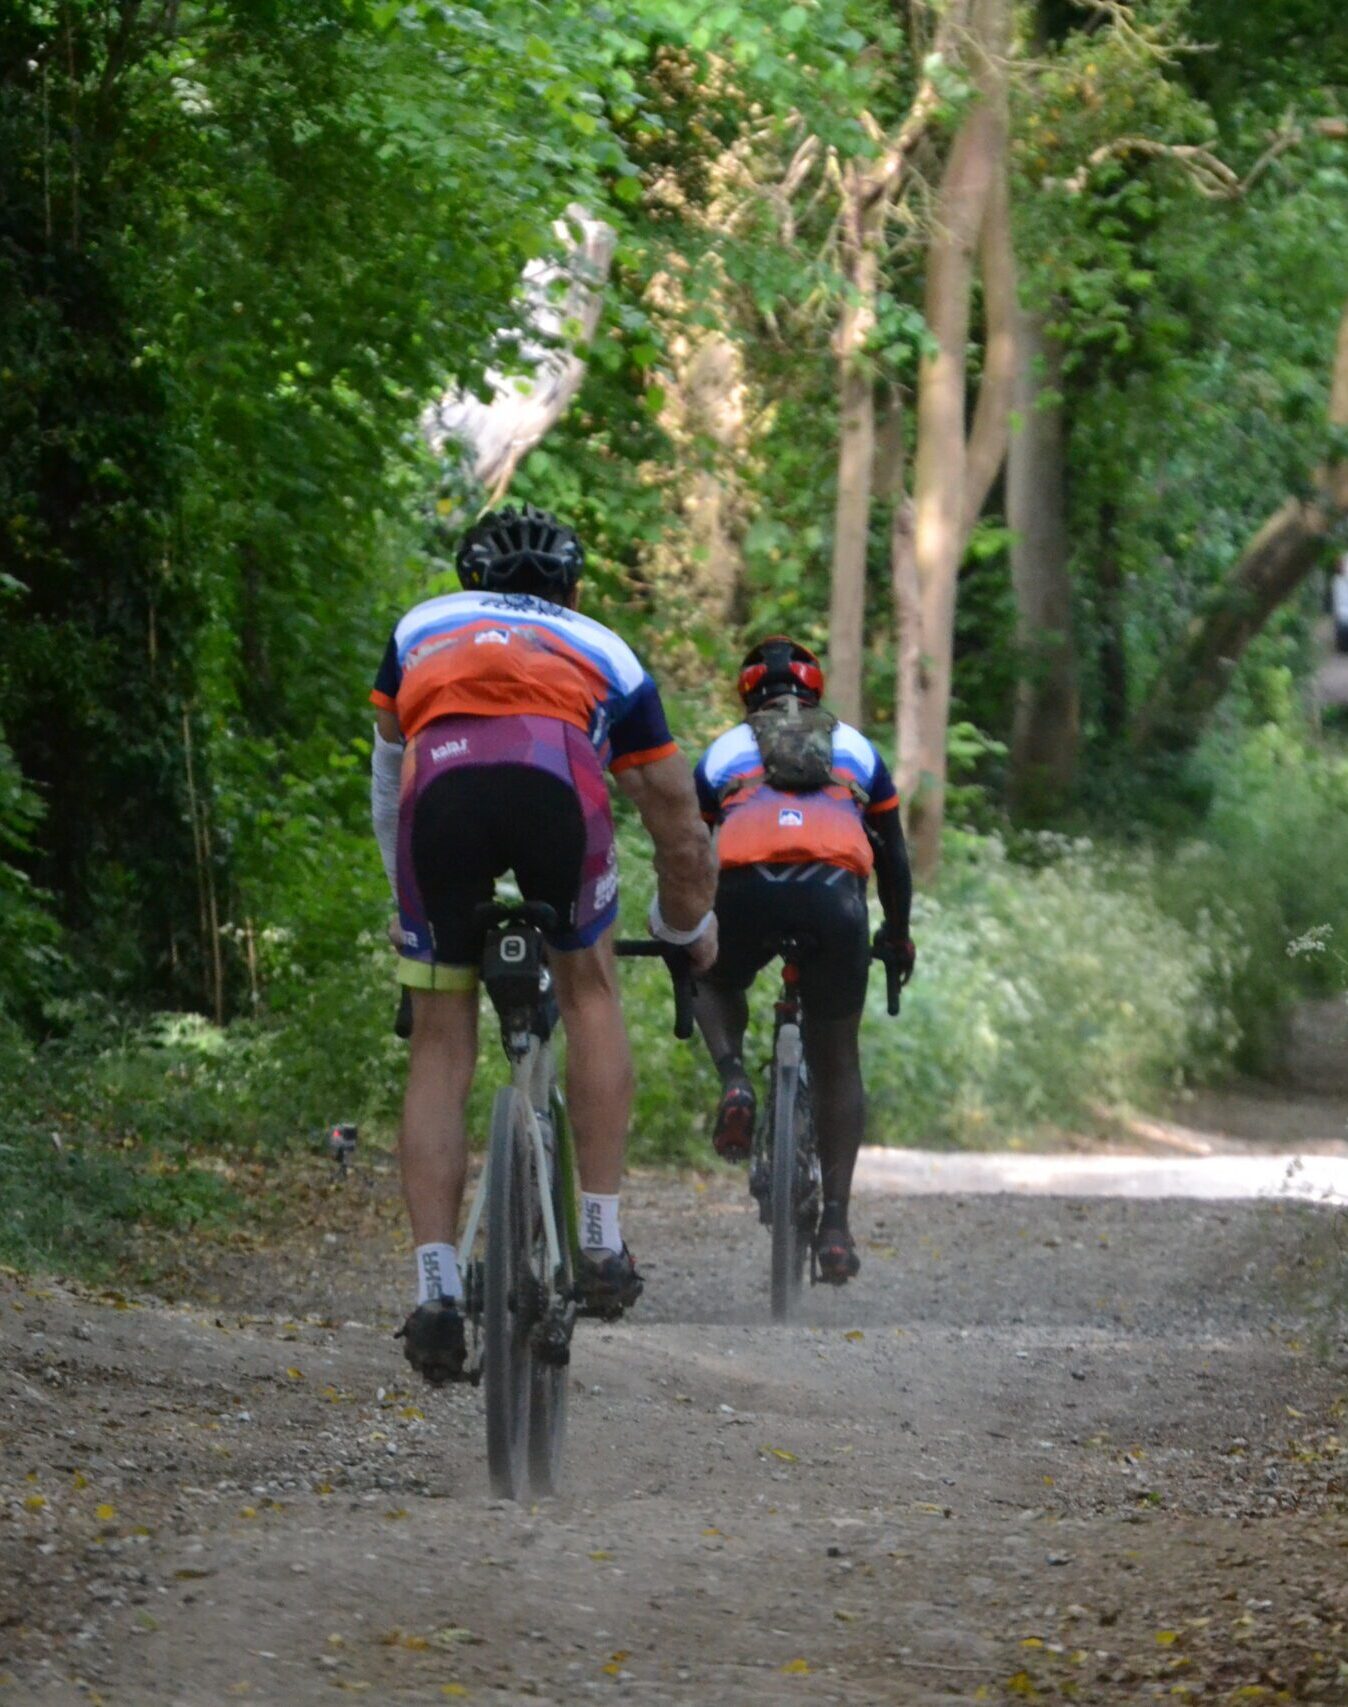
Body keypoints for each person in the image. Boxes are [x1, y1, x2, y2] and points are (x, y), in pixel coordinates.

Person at [369, 504, 717, 1382]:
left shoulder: (421, 627)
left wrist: (403, 895)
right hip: (556, 784)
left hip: (439, 800)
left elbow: (390, 770)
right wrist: (686, 925)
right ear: (571, 587)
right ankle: (598, 1240)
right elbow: (675, 814)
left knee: (442, 1037)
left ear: (467, 580)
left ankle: (436, 1290)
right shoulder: (606, 649)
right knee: (589, 988)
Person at [691, 636, 914, 1284]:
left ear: (747, 694)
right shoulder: (858, 750)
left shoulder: (725, 751)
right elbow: (893, 857)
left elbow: (692, 842)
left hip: (744, 890)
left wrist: (684, 927)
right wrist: (896, 935)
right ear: (815, 692)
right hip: (834, 900)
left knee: (711, 973)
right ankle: (837, 1225)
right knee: (837, 1057)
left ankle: (734, 1077)